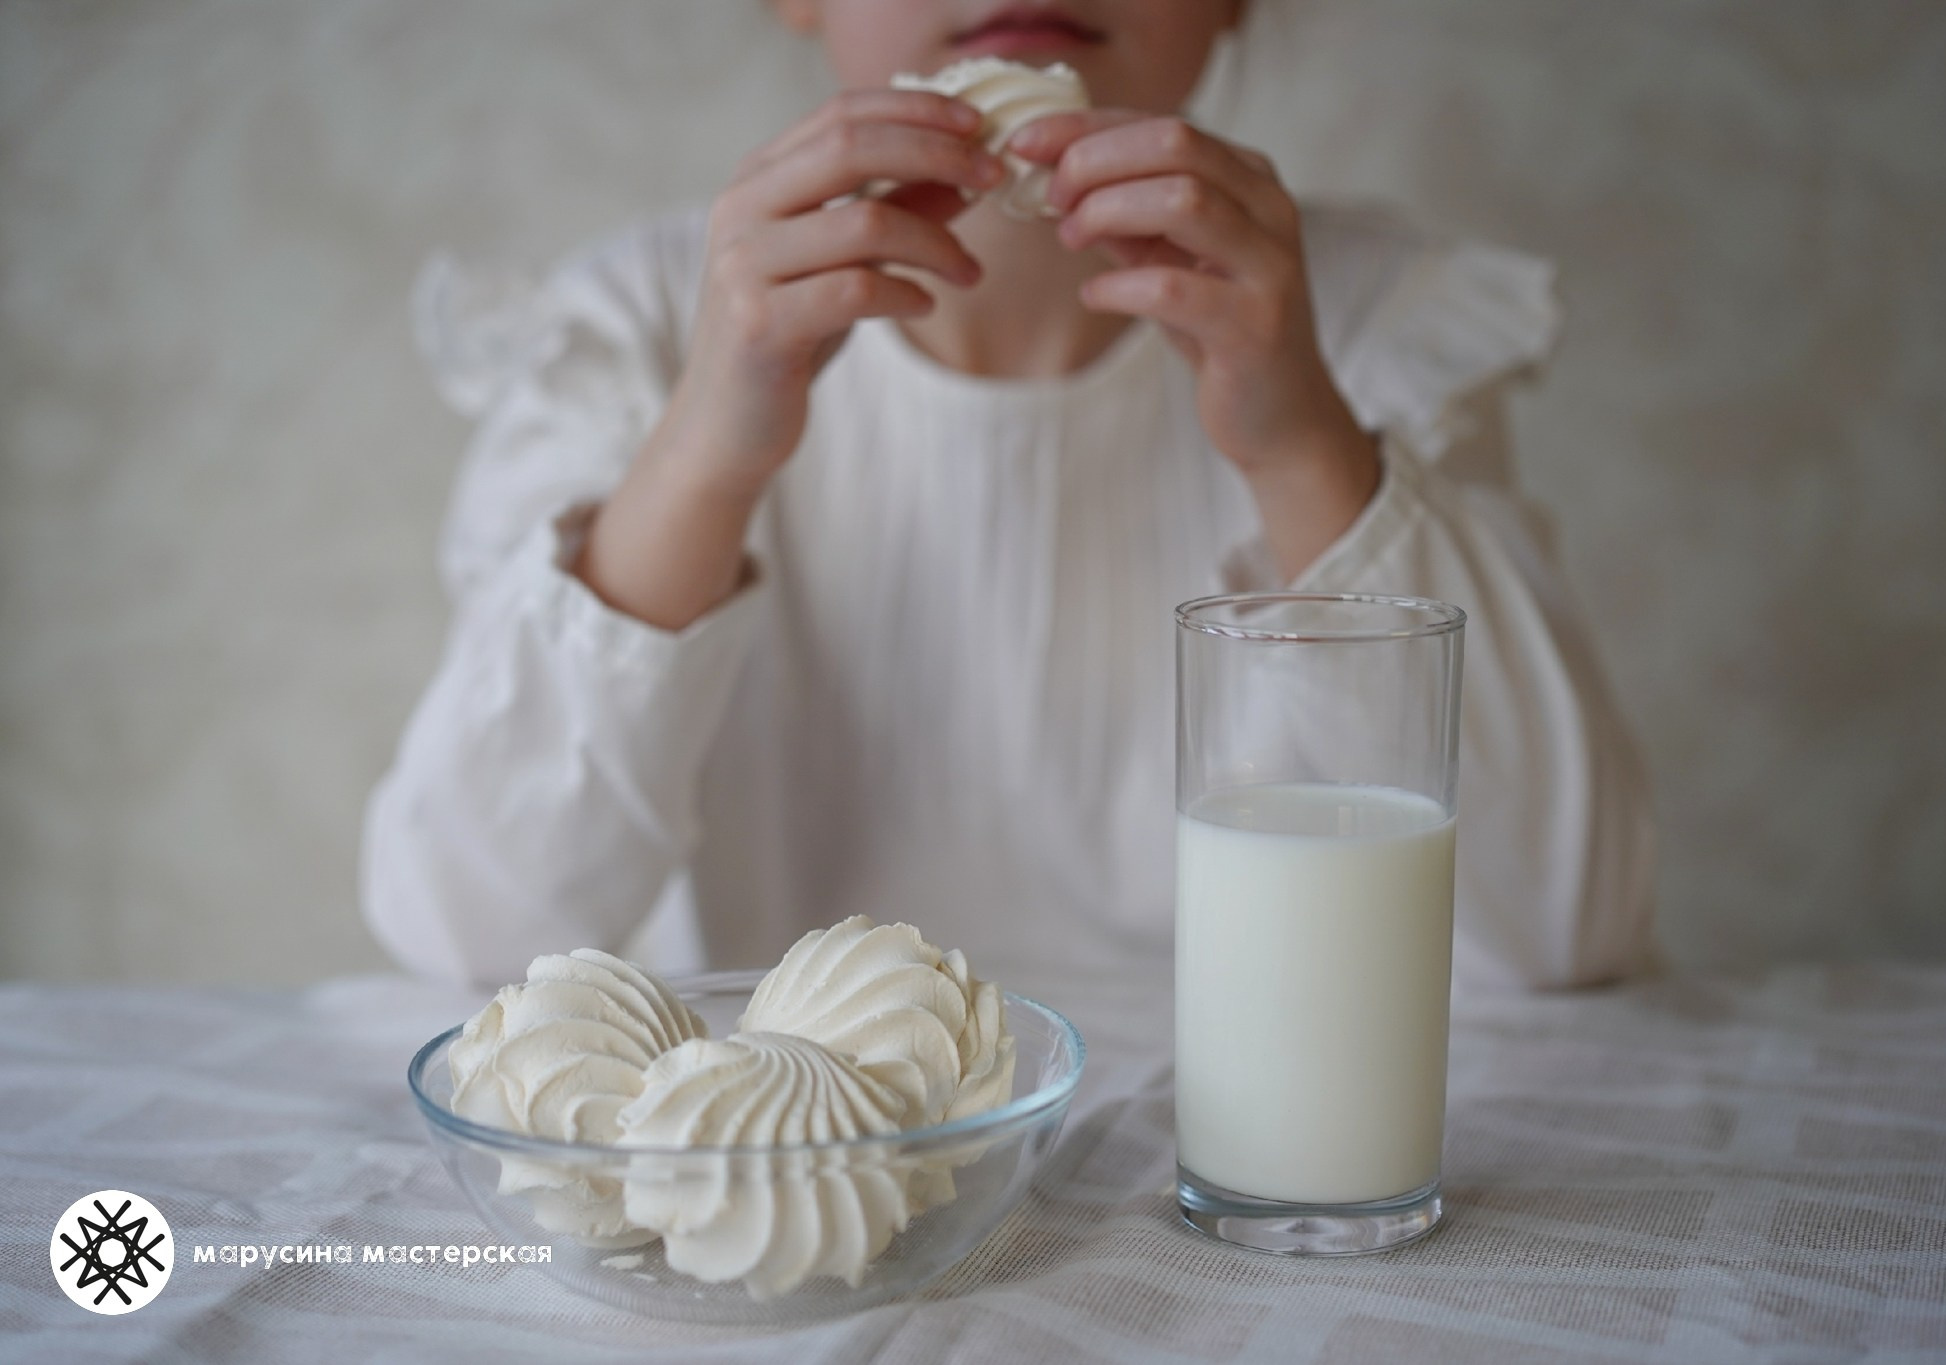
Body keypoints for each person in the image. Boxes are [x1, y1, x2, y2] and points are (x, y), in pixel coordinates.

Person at [362, 0, 1658, 991]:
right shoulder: (640, 328)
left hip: (1235, 1173)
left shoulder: (1368, 321)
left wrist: (1304, 447)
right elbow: (470, 929)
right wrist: (703, 455)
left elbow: (1563, 925)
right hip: (792, 1161)